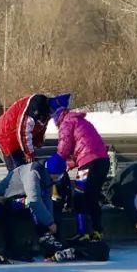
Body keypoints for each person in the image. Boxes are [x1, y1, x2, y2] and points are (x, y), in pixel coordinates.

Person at [52, 95, 110, 239]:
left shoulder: (66, 123)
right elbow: (86, 149)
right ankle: (97, 231)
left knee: (79, 195)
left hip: (88, 164)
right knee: (92, 196)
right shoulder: (80, 121)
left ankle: (82, 232)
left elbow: (64, 148)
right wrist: (69, 165)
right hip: (102, 161)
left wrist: (55, 164)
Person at [0, 161, 60, 260]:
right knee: (32, 204)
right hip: (2, 199)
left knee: (44, 205)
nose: (56, 179)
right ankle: (20, 245)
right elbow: (34, 201)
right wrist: (49, 222)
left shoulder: (47, 177)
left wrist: (51, 220)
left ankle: (47, 240)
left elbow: (47, 199)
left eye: (59, 176)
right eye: (55, 176)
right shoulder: (33, 174)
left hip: (19, 199)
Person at [0, 92, 52, 169]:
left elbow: (41, 125)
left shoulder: (45, 110)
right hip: (7, 132)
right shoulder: (35, 107)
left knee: (24, 166)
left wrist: (38, 140)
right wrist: (29, 153)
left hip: (14, 132)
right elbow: (24, 131)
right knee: (18, 169)